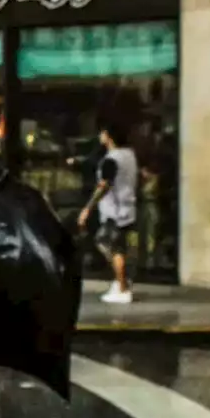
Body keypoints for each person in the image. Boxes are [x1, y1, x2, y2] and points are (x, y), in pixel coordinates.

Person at [78, 124, 138, 304]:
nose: (100, 136)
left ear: (109, 136)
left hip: (114, 211)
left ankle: (122, 288)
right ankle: (121, 282)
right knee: (118, 246)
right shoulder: (130, 155)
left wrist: (88, 208)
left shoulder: (111, 160)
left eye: (103, 133)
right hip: (128, 208)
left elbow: (104, 185)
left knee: (109, 245)